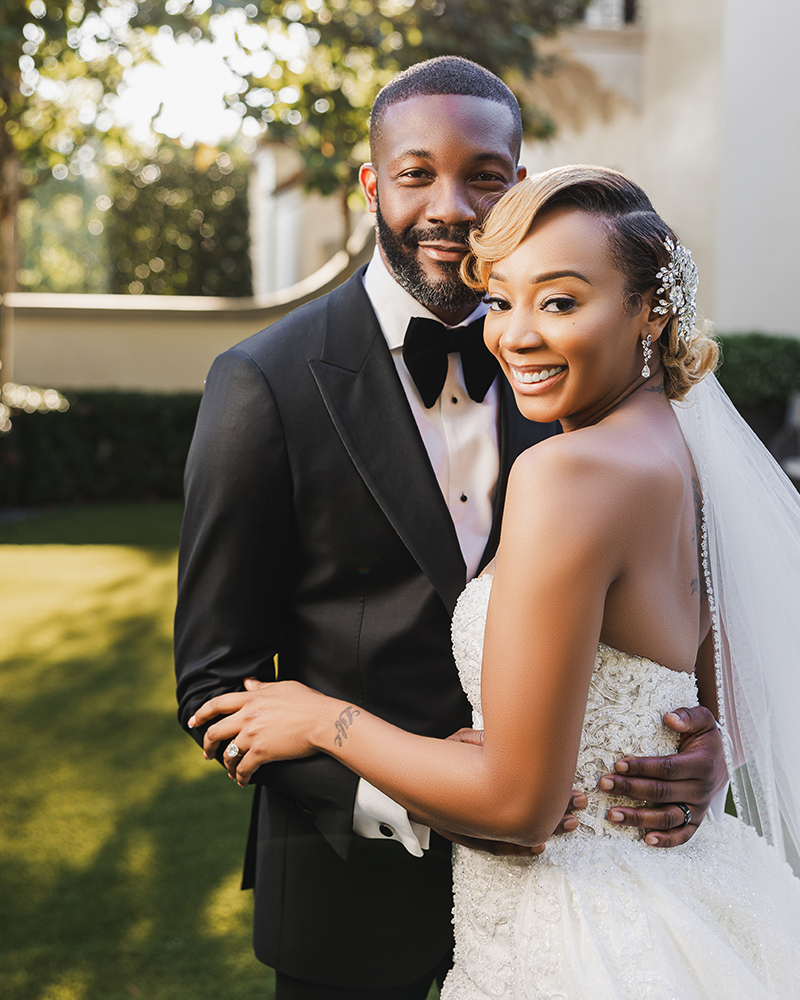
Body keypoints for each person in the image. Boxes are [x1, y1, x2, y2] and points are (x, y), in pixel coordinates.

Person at [175, 62, 727, 999]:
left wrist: (700, 747)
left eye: (485, 175)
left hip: (587, 898)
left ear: (518, 183)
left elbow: (669, 614)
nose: (452, 206)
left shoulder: (562, 382)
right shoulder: (262, 383)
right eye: (417, 173)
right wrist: (407, 800)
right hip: (352, 899)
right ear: (371, 184)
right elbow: (216, 688)